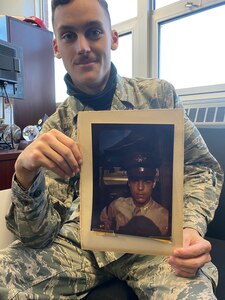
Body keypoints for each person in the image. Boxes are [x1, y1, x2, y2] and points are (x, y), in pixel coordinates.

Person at [0, 0, 223, 299]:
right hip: (78, 247)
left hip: (155, 245)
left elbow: (200, 168)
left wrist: (191, 227)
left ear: (113, 38)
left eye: (94, 32)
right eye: (68, 36)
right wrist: (25, 175)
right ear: (56, 47)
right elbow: (37, 237)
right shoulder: (56, 127)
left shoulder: (158, 97)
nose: (82, 47)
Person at [100, 151, 169, 237]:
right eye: (135, 181)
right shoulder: (117, 206)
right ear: (129, 182)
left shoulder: (164, 217)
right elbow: (104, 224)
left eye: (147, 182)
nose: (140, 188)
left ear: (153, 183)